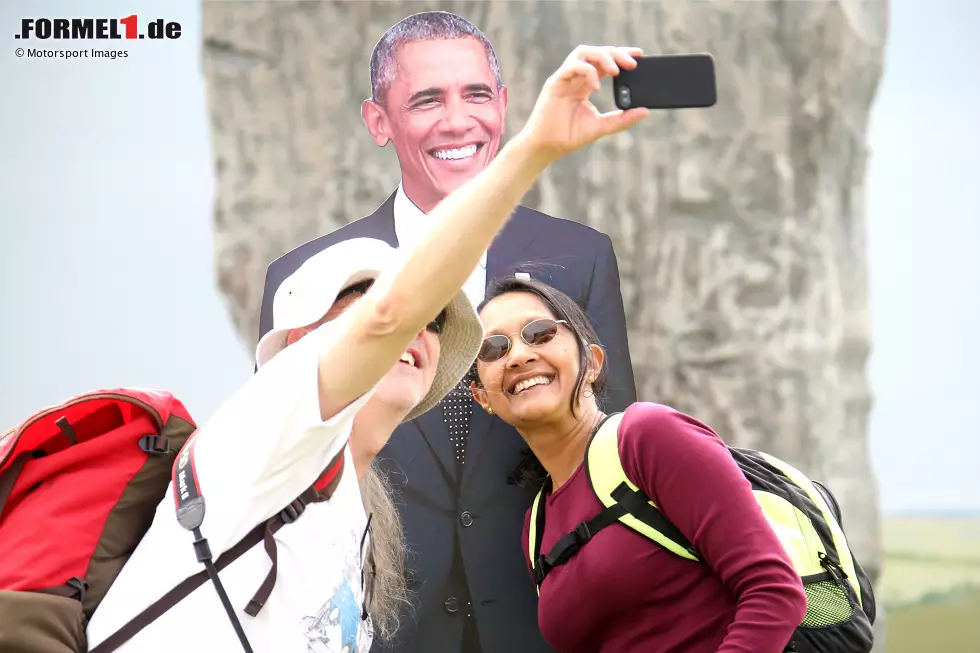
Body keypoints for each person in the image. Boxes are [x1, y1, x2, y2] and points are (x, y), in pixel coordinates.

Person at [85, 43, 651, 653]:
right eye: (360, 298)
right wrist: (534, 150)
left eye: (438, 321)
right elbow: (390, 317)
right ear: (299, 344)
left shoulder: (349, 520)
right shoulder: (263, 434)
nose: (417, 330)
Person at [257, 12, 638, 652]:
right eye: (427, 99)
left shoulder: (583, 256)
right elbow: (289, 465)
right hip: (380, 624)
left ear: (507, 106)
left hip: (546, 620)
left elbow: (611, 440)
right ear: (379, 121)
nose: (458, 120)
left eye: (477, 94)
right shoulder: (305, 279)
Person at [469, 277, 810, 653]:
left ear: (593, 362)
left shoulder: (647, 437)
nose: (518, 355)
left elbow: (774, 590)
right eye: (494, 348)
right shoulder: (537, 529)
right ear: (483, 396)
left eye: (540, 333)